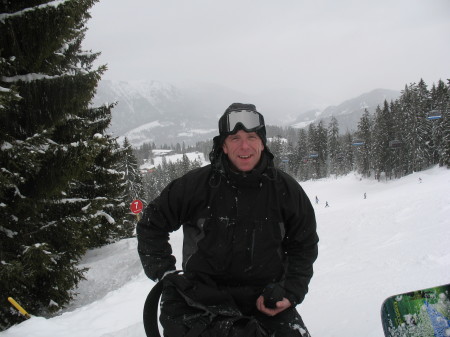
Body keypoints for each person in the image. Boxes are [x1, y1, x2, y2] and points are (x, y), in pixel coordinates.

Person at [137, 103, 319, 336]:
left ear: (262, 143)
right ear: (223, 145)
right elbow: (152, 224)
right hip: (200, 302)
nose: (244, 146)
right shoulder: (196, 186)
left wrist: (291, 291)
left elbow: (304, 244)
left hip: (264, 300)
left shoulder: (285, 190)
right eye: (235, 138)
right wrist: (165, 274)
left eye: (252, 137)